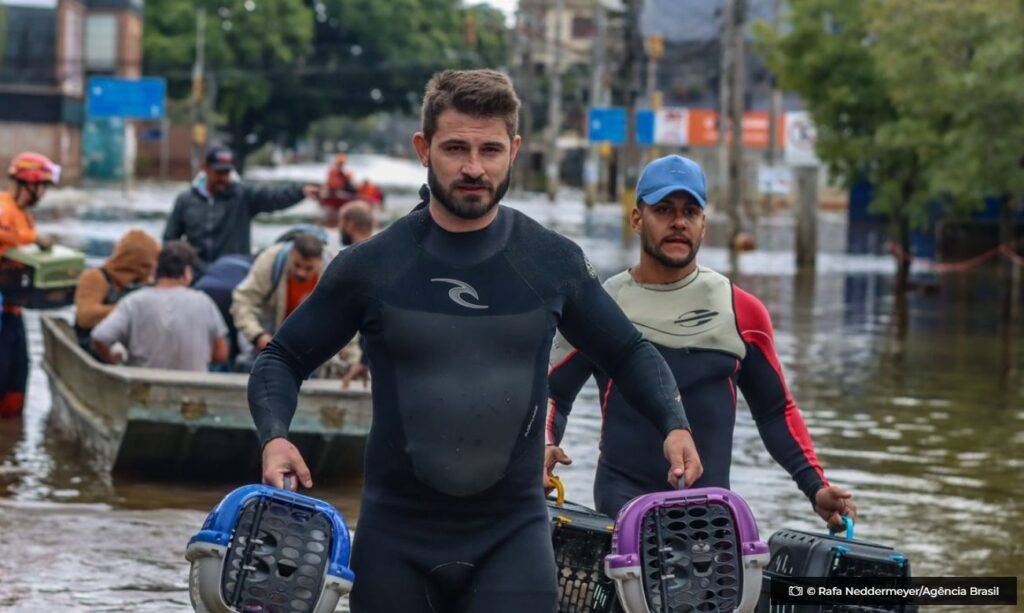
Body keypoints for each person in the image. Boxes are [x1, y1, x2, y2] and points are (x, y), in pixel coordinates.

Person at [248, 69, 703, 613]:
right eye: (455, 148)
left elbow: (628, 352)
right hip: (395, 539)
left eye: (489, 150)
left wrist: (674, 423)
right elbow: (282, 358)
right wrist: (275, 437)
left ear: (513, 150)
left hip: (512, 536)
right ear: (423, 149)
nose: (473, 167)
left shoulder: (550, 262)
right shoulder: (370, 267)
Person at [545, 155, 857, 529]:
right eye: (664, 209)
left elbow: (775, 411)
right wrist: (543, 448)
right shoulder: (600, 306)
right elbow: (551, 394)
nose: (678, 222)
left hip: (710, 519)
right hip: (621, 511)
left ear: (704, 225)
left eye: (690, 211)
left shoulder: (740, 311)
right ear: (637, 219)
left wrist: (815, 487)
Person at [163, 145, 320, 266]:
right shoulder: (186, 200)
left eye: (227, 172)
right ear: (205, 168)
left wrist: (299, 191)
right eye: (219, 172)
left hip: (234, 269)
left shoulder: (242, 195)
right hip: (197, 271)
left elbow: (273, 197)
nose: (223, 178)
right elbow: (170, 238)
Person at [91, 241, 228, 371]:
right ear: (187, 272)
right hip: (193, 390)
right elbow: (221, 354)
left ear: (155, 270)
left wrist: (112, 362)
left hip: (142, 388)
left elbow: (100, 336)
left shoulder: (134, 301)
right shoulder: (204, 302)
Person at [0, 152, 60, 418]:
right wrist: (33, 237)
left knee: (18, 375)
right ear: (30, 184)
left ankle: (10, 444)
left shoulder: (24, 216)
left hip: (13, 310)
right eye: (43, 187)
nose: (43, 193)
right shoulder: (3, 206)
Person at [231, 231, 324, 354]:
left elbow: (344, 316)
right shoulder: (270, 261)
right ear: (291, 253)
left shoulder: (333, 270)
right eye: (296, 265)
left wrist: (351, 357)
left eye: (309, 268)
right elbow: (243, 301)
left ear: (320, 262)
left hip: (309, 344)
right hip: (268, 337)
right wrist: (258, 335)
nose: (301, 273)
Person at [74, 229, 159, 350]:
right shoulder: (95, 277)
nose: (151, 271)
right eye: (147, 265)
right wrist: (130, 310)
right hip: (91, 345)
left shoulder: (147, 284)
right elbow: (85, 317)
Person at [320, 153, 357, 227]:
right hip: (334, 194)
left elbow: (351, 185)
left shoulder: (346, 172)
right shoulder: (334, 171)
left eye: (342, 163)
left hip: (341, 195)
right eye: (340, 163)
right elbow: (332, 183)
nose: (341, 164)